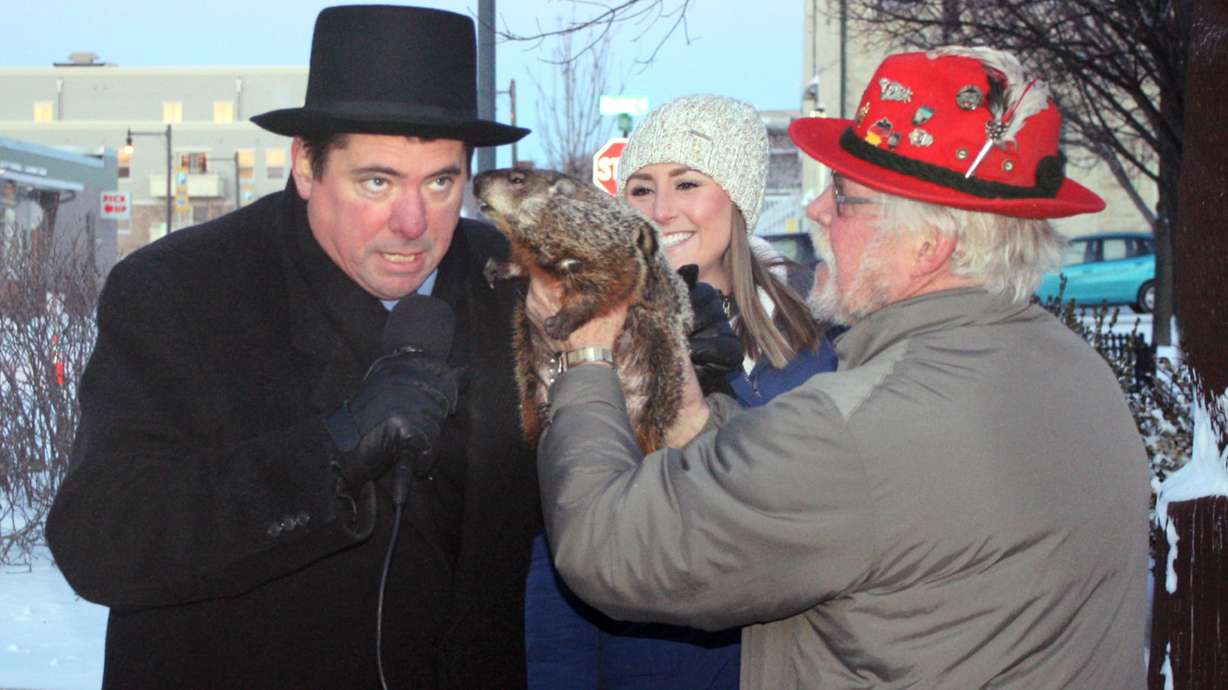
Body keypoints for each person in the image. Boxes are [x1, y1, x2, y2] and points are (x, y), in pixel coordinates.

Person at [528, 46, 1149, 688]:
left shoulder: (855, 421)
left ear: (929, 246)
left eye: (848, 198)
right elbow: (853, 517)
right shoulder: (1076, 370)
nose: (818, 210)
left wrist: (585, 355)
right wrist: (699, 420)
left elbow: (608, 548)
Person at [46, 7, 541, 689]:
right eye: (377, 181)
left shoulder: (512, 287)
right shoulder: (183, 292)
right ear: (305, 166)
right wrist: (331, 455)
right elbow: (100, 540)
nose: (413, 222)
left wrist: (659, 366)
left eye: (441, 182)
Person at [524, 94, 837, 689]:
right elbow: (561, 549)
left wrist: (722, 393)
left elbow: (790, 517)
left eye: (687, 183)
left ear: (739, 198)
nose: (661, 210)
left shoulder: (818, 354)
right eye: (641, 189)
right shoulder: (594, 347)